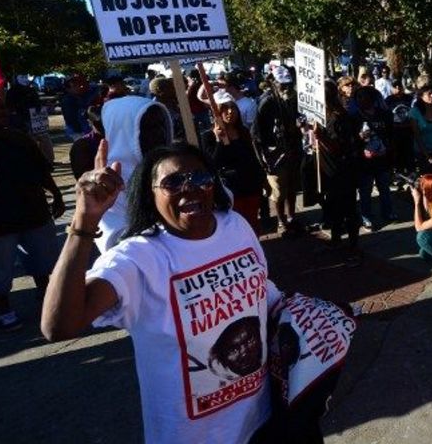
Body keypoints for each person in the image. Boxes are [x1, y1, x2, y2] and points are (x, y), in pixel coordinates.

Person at [41, 142, 281, 442]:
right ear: (149, 194)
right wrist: (84, 221)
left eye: (201, 179)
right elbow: (59, 326)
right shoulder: (138, 258)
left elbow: (261, 292)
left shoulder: (235, 226)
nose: (190, 188)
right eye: (173, 182)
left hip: (263, 418)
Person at [0, 95, 64, 331]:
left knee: (43, 261)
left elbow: (40, 170)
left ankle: (46, 295)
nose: (0, 112)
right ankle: (5, 312)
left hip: (33, 212)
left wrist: (56, 194)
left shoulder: (19, 138)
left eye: (2, 107)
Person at [96, 95, 173, 252]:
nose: (159, 133)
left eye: (161, 125)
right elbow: (116, 243)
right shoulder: (110, 182)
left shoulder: (178, 165)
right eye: (147, 128)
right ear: (123, 132)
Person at [202, 100, 267, 233]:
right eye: (225, 109)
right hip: (231, 189)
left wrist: (263, 179)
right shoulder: (208, 136)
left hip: (251, 185)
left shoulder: (243, 131)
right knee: (236, 226)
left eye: (233, 108)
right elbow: (213, 163)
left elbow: (252, 158)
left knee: (253, 224)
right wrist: (219, 140)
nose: (230, 112)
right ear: (217, 113)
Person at [253, 66, 303, 236]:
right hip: (275, 155)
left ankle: (291, 217)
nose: (286, 88)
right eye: (282, 84)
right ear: (273, 83)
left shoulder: (292, 98)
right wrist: (263, 161)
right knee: (279, 191)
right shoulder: (266, 102)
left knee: (292, 187)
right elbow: (257, 135)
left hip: (294, 150)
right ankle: (281, 221)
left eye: (289, 84)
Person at [316, 82, 362, 262]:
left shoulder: (337, 117)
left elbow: (339, 147)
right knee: (334, 206)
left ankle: (354, 246)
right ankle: (336, 239)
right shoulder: (323, 115)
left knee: (348, 208)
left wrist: (321, 137)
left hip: (343, 170)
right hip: (330, 170)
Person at [355, 86, 394, 230]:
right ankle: (366, 216)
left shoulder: (383, 114)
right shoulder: (355, 117)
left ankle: (388, 212)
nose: (360, 100)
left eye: (363, 97)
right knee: (365, 190)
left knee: (384, 187)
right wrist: (361, 146)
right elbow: (350, 140)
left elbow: (390, 134)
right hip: (365, 160)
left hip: (382, 158)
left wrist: (387, 149)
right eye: (358, 97)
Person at [69, 105, 105, 180]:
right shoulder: (82, 145)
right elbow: (82, 177)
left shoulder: (119, 138)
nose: (103, 126)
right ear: (89, 122)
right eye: (99, 124)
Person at [150, 77, 187, 142]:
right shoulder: (154, 109)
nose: (174, 90)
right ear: (160, 90)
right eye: (170, 88)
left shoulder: (173, 103)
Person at [60, 75, 94, 141]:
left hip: (82, 128)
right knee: (82, 147)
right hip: (77, 130)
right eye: (74, 86)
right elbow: (70, 117)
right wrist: (78, 129)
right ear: (68, 89)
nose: (78, 87)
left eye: (78, 85)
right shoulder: (68, 100)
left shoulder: (78, 97)